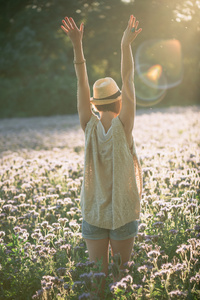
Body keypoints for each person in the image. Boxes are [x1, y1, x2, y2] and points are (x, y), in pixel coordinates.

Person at [61, 14, 142, 287]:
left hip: (93, 211)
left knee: (97, 285)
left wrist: (77, 46)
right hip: (123, 211)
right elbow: (128, 79)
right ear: (118, 103)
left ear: (95, 105)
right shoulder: (125, 125)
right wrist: (124, 46)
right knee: (121, 282)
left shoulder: (88, 126)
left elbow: (81, 84)